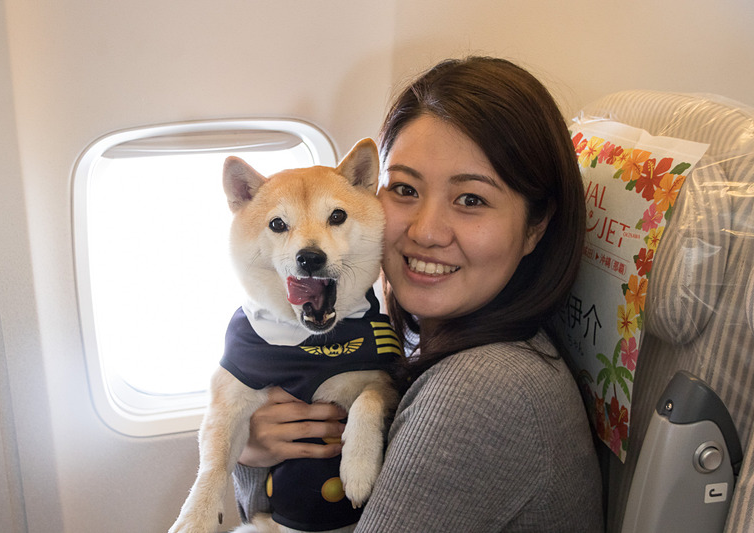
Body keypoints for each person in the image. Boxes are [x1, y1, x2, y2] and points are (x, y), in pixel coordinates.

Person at [233, 56, 604, 532]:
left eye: (471, 199)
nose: (426, 232)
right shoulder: (410, 339)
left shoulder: (485, 390)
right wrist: (249, 451)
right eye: (404, 189)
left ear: (535, 226)